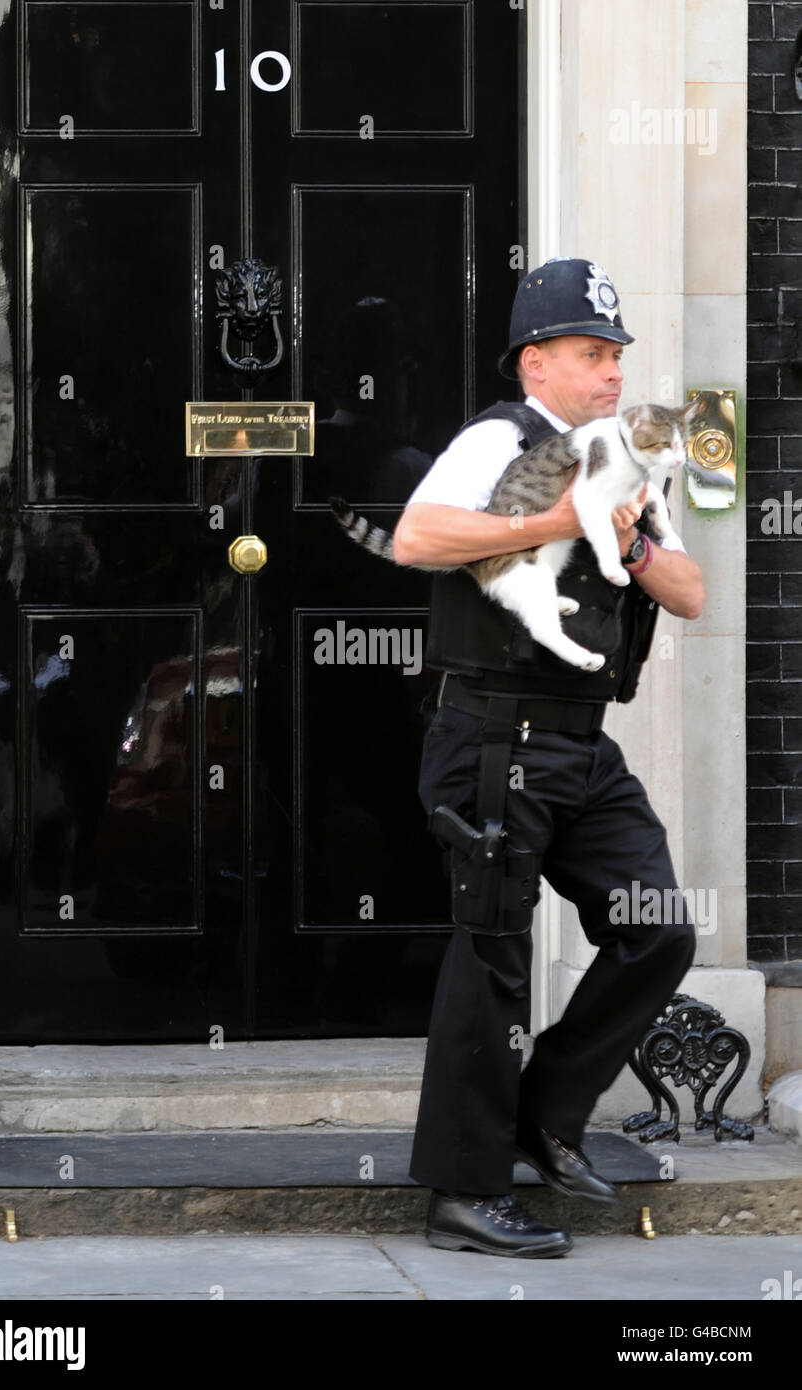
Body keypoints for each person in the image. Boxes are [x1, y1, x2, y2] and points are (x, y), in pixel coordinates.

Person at [392, 257, 704, 1258]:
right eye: (589, 353)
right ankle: (462, 1191)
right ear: (538, 362)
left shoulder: (626, 454)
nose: (611, 372)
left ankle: (544, 1113)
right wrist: (554, 520)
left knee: (657, 928)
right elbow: (416, 535)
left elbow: (692, 591)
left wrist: (636, 541)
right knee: (491, 955)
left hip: (579, 742)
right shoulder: (499, 437)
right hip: (490, 733)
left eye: (616, 354)